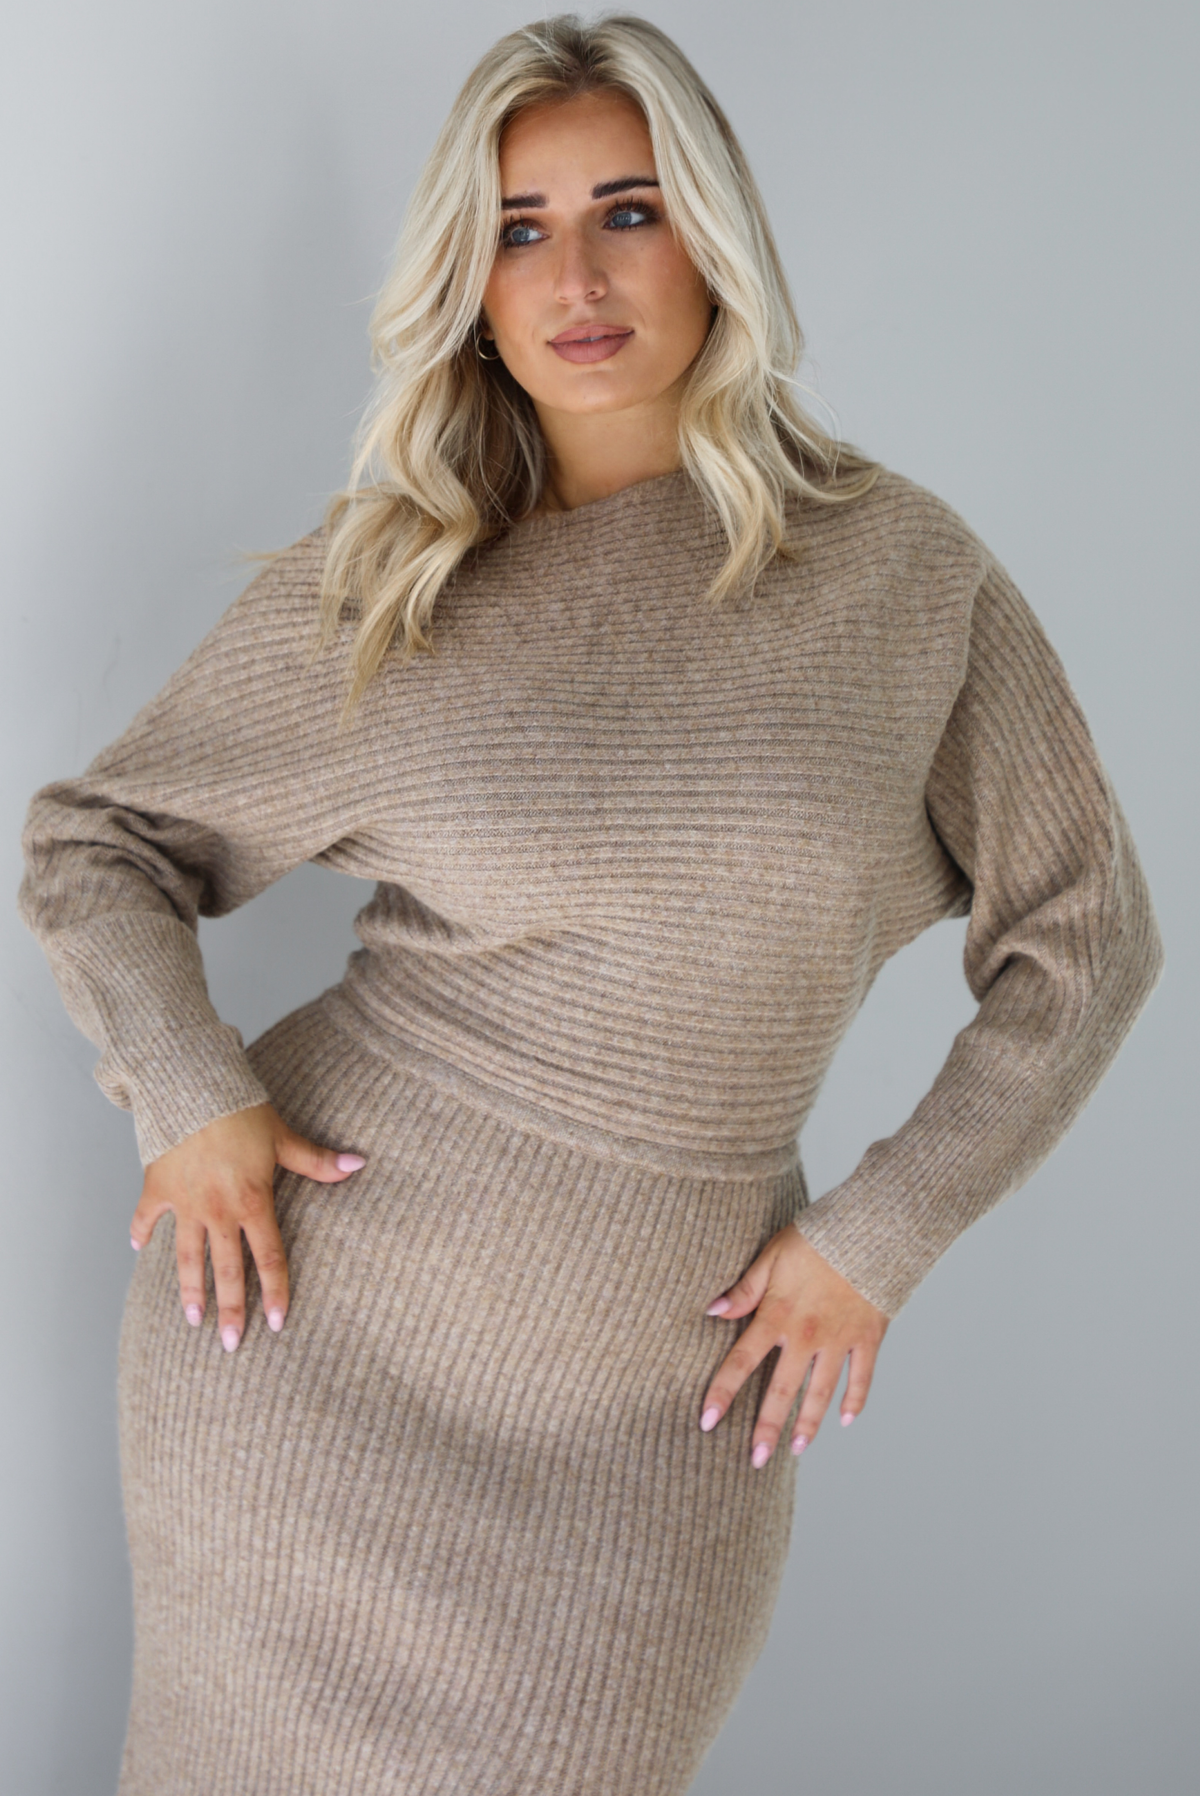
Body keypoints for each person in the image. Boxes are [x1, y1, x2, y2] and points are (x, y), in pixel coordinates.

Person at [17, 12, 1164, 1796]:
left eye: (627, 209)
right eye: (519, 227)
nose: (577, 274)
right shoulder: (392, 577)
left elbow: (1088, 941)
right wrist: (190, 1098)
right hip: (306, 1354)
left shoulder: (901, 573)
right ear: (466, 283)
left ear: (717, 233)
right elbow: (97, 843)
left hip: (658, 1416)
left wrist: (883, 1236)